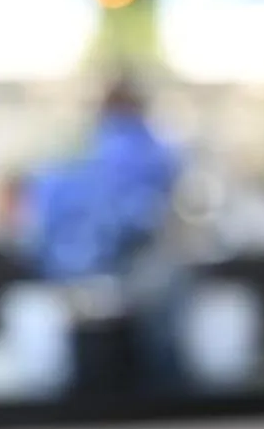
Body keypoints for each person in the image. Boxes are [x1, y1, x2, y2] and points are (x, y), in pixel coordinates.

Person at [24, 77, 182, 280]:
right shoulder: (155, 153)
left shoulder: (75, 152)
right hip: (123, 271)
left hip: (58, 273)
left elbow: (39, 223)